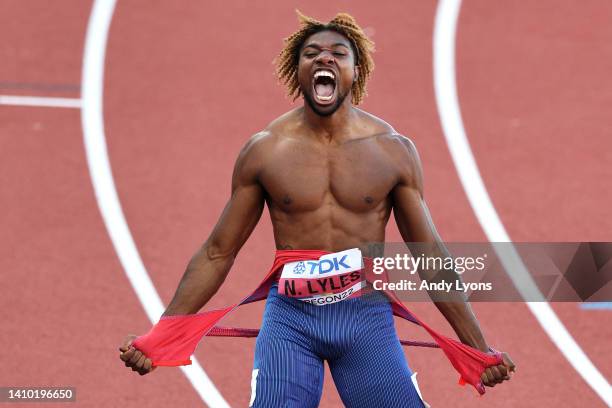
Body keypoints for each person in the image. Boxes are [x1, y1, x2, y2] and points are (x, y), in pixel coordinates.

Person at [119, 11, 515, 407]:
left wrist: (476, 346)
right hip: (291, 322)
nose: (324, 59)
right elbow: (217, 252)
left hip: (366, 321)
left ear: (355, 71)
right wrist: (163, 332)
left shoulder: (392, 152)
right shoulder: (266, 151)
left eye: (338, 53)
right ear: (298, 70)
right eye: (312, 53)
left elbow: (430, 256)